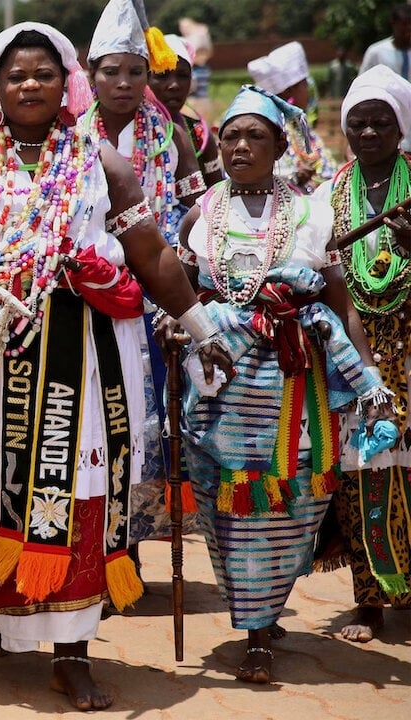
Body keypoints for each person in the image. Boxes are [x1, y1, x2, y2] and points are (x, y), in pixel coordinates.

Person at [0, 22, 230, 711]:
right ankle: (10, 625)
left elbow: (153, 255)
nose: (28, 84)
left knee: (78, 494)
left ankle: (72, 651)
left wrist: (199, 327)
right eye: (14, 75)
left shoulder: (102, 163)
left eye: (41, 73)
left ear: (64, 81)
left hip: (81, 355)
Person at [166, 85, 393, 684]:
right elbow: (179, 293)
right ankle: (254, 612)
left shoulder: (311, 212)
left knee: (290, 504)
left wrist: (367, 378)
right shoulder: (201, 213)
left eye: (255, 137)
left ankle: (261, 630)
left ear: (278, 146)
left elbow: (341, 305)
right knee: (225, 509)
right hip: (219, 387)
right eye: (232, 135)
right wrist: (174, 327)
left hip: (295, 386)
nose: (240, 146)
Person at [84, 0, 205, 554]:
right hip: (89, 301)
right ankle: (101, 547)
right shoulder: (73, 138)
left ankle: (131, 545)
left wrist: (180, 261)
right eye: (112, 71)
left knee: (148, 424)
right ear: (91, 76)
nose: (125, 83)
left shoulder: (172, 137)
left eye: (136, 71)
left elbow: (196, 215)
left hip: (158, 301)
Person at [316, 66, 411, 643]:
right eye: (359, 123)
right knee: (362, 473)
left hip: (409, 344)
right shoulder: (328, 193)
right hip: (353, 354)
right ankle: (370, 599)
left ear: (402, 128)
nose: (370, 132)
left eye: (382, 122)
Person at [248, 42, 337, 193]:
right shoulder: (273, 127)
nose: (309, 92)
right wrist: (296, 178)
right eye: (304, 85)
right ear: (289, 90)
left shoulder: (298, 123)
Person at [149, 34, 222, 188]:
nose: (174, 85)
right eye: (162, 75)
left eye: (182, 76)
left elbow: (216, 194)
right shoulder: (132, 131)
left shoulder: (200, 135)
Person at [360, 4, 411, 81]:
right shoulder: (377, 52)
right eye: (404, 24)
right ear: (393, 24)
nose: (409, 28)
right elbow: (362, 82)